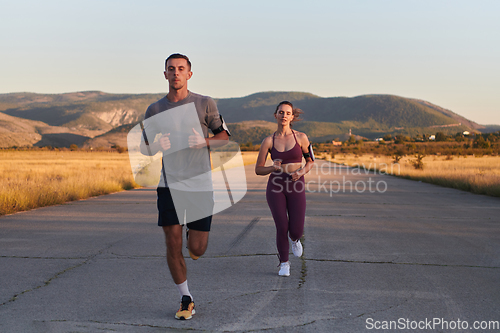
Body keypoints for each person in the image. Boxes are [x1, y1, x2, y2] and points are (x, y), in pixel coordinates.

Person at [139, 53, 230, 320]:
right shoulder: (155, 110)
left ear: (189, 74)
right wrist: (157, 146)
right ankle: (186, 298)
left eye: (181, 69)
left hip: (200, 184)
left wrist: (204, 142)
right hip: (169, 185)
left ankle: (194, 239)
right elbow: (145, 147)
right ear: (165, 74)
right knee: (172, 243)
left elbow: (224, 137)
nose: (176, 73)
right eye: (171, 69)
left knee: (197, 248)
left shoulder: (204, 104)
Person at [255, 101, 314, 276]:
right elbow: (258, 169)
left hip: (296, 184)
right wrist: (272, 168)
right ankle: (284, 263)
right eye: (281, 112)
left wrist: (301, 172)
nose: (284, 115)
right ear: (276, 115)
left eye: (288, 113)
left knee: (295, 229)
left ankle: (295, 239)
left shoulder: (301, 137)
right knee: (281, 226)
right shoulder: (268, 141)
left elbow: (311, 161)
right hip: (276, 186)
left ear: (292, 117)